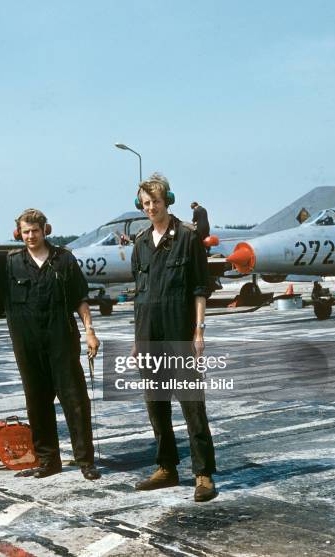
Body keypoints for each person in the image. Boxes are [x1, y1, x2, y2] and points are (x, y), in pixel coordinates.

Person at [0, 205, 101, 480]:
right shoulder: (11, 263)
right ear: (18, 234)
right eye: (25, 231)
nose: (31, 236)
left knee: (76, 401)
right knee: (37, 403)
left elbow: (80, 298)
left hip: (62, 342)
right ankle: (48, 460)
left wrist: (90, 331)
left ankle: (86, 461)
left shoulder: (64, 260)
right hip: (28, 345)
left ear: (45, 230)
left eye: (35, 230)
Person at [133, 173, 217, 502]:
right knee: (156, 404)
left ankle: (203, 473)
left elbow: (200, 289)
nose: (151, 207)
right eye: (145, 203)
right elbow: (140, 295)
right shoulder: (140, 243)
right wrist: (137, 339)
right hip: (148, 332)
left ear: (167, 200)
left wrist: (198, 331)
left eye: (155, 201)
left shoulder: (187, 237)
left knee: (192, 404)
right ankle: (167, 467)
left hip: (180, 330)